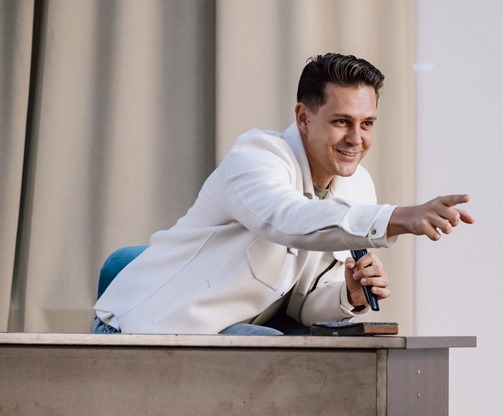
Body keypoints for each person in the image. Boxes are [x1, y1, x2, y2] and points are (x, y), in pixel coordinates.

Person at [92, 53, 474, 335]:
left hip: (229, 329)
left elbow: (302, 302)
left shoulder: (359, 185)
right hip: (145, 325)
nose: (356, 139)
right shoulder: (255, 157)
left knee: (299, 357)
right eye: (342, 122)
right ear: (304, 118)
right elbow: (291, 220)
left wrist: (349, 293)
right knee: (285, 361)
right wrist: (397, 217)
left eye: (367, 123)